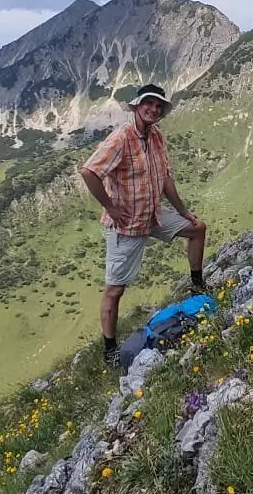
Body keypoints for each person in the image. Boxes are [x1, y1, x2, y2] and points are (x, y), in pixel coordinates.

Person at [80, 83, 207, 365]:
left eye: (158, 106)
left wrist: (183, 212)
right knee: (115, 290)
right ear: (137, 106)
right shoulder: (122, 138)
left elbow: (165, 180)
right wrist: (111, 207)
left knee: (198, 229)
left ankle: (198, 286)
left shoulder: (156, 137)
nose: (153, 109)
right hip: (125, 225)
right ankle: (110, 351)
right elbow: (89, 172)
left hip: (153, 215)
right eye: (148, 104)